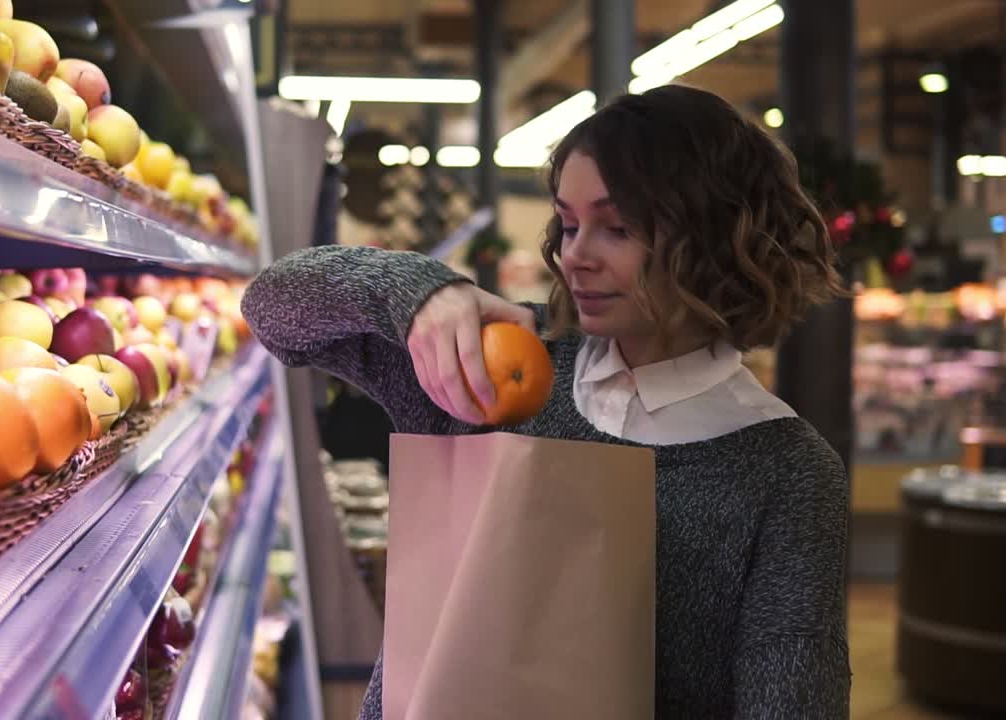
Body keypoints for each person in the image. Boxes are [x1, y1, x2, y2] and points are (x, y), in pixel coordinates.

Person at [242, 85, 851, 718]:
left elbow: (792, 703)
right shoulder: (496, 363)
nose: (575, 255)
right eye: (567, 222)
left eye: (616, 227)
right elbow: (273, 308)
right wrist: (421, 292)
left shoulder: (785, 473)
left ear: (717, 237)